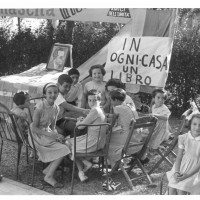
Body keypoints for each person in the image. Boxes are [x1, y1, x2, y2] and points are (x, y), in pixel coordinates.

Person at [31, 83, 71, 188]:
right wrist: (52, 136)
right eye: (49, 92)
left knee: (66, 144)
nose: (52, 95)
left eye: (55, 92)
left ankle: (47, 170)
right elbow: (34, 128)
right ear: (45, 94)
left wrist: (57, 136)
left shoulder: (56, 108)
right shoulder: (39, 107)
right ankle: (48, 176)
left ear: (58, 94)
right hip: (36, 135)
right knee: (63, 149)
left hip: (47, 133)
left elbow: (53, 127)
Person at [66, 90, 107, 182]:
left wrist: (78, 122)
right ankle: (84, 167)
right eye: (90, 100)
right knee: (70, 142)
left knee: (67, 145)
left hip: (93, 141)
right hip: (100, 141)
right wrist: (83, 120)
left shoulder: (94, 110)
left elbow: (80, 127)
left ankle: (83, 168)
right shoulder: (100, 109)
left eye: (95, 100)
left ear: (99, 100)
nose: (92, 103)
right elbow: (91, 121)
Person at [107, 88, 145, 168]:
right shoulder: (130, 106)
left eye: (111, 100)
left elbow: (112, 123)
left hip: (128, 141)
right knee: (115, 135)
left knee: (108, 141)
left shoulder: (117, 108)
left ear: (116, 100)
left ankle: (115, 165)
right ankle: (118, 163)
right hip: (137, 138)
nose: (110, 102)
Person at [167, 113, 200, 195]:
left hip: (195, 170)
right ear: (190, 124)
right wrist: (176, 172)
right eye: (194, 124)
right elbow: (179, 157)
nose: (197, 127)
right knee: (172, 188)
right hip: (182, 166)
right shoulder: (183, 138)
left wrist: (187, 175)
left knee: (182, 189)